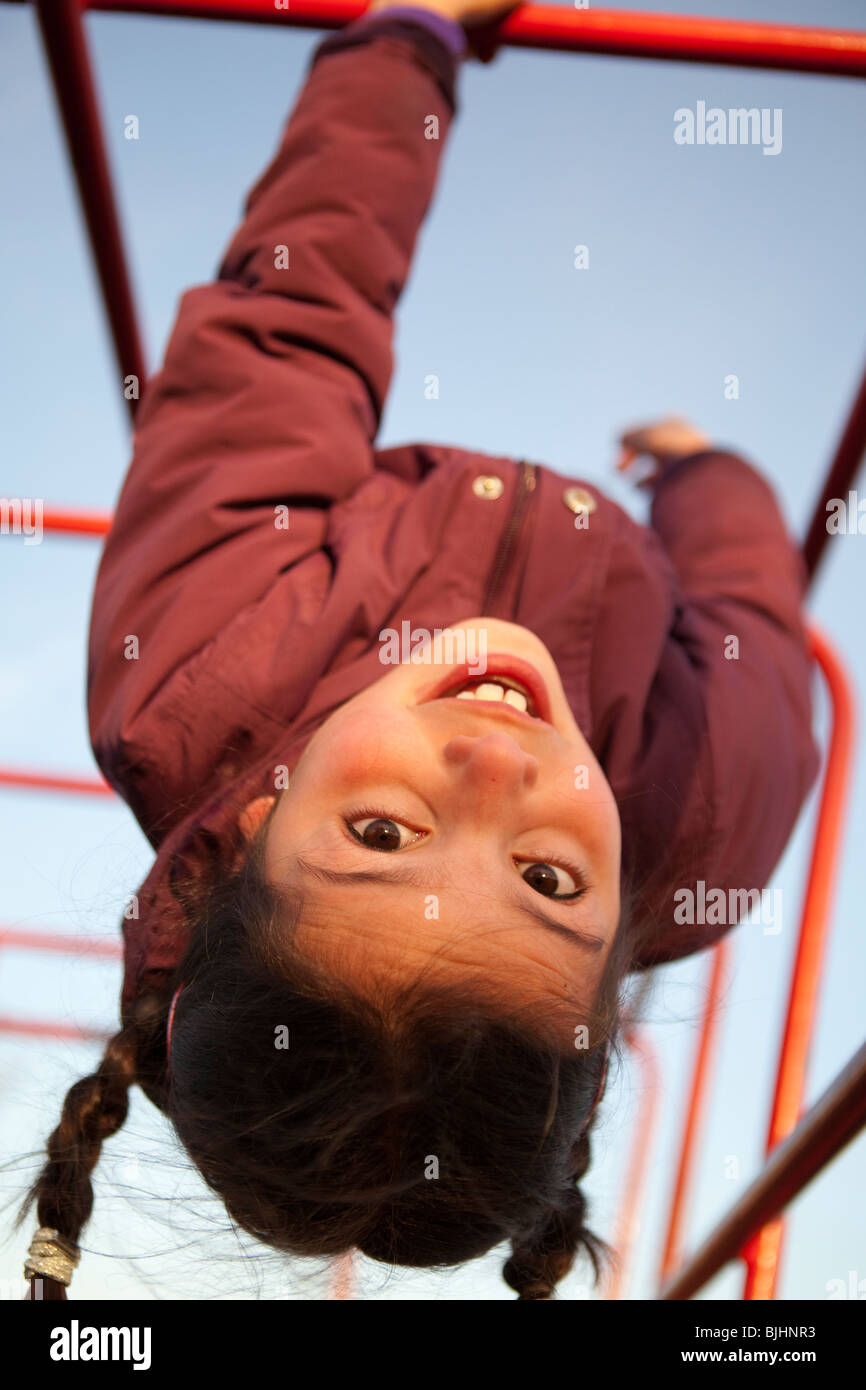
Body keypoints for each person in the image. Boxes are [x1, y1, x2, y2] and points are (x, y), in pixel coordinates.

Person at [19, 0, 819, 1301]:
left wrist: (408, 45)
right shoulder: (707, 819)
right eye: (551, 883)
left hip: (367, 510)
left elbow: (291, 325)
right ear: (621, 942)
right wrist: (706, 468)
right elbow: (751, 614)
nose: (495, 775)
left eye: (382, 835)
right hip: (628, 545)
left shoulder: (189, 664)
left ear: (252, 832)